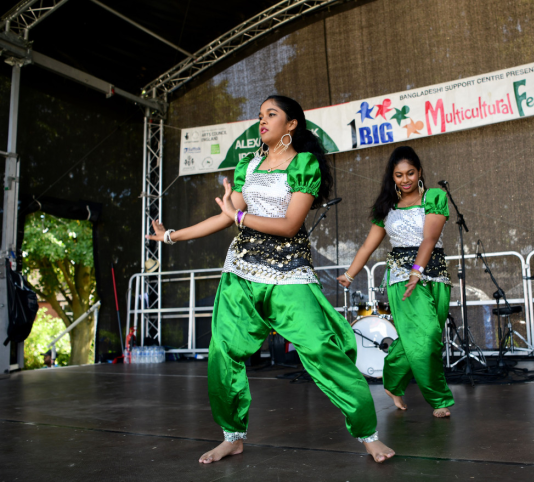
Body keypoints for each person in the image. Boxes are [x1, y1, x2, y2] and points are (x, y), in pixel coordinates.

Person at [146, 95, 394, 464]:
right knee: (223, 352)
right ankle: (232, 436)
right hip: (240, 274)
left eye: (271, 115)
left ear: (291, 124)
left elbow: (289, 224)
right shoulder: (249, 164)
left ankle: (368, 434)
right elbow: (227, 215)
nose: (262, 121)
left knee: (322, 350)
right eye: (260, 116)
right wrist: (171, 236)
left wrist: (238, 218)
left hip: (288, 275)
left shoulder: (304, 164)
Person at [337, 146, 454, 418]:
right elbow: (368, 246)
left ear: (420, 172)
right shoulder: (386, 208)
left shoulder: (434, 197)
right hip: (402, 277)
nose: (405, 179)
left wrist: (419, 270)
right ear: (392, 177)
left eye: (410, 173)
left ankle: (391, 380)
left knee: (425, 338)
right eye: (399, 175)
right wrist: (351, 273)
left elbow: (429, 239)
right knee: (425, 337)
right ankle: (439, 399)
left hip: (434, 274)